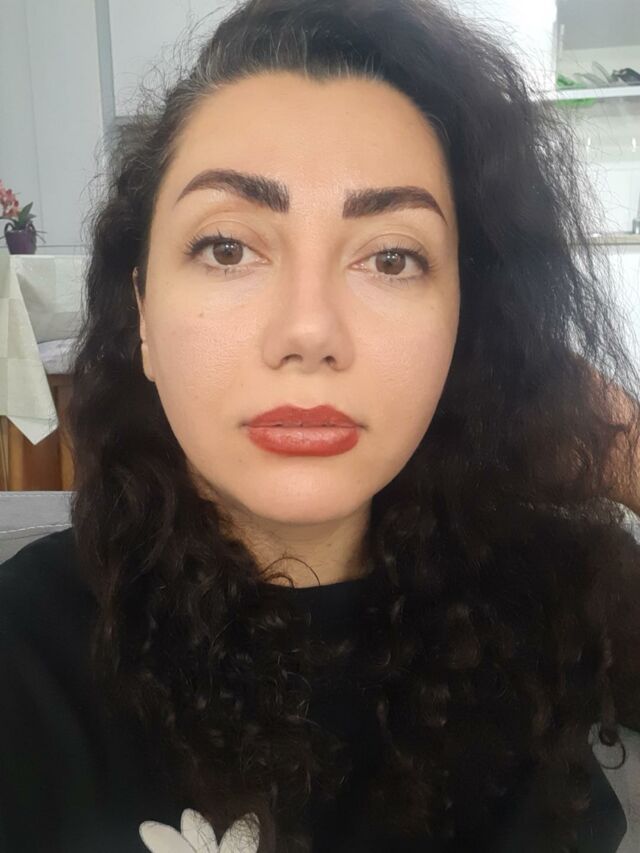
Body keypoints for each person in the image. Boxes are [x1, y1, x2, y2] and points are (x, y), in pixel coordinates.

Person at [1, 0, 640, 851]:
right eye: (228, 247)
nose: (309, 330)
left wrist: (626, 447)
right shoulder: (24, 656)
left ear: (463, 321)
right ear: (143, 314)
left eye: (391, 257)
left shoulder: (558, 596)